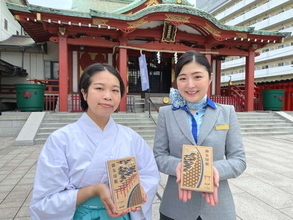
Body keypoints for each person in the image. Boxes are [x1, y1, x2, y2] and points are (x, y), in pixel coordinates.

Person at [30, 63, 160, 220]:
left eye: (115, 90)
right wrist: (94, 190)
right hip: (79, 215)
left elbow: (149, 175)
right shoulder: (60, 140)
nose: (108, 96)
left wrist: (136, 191)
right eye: (99, 88)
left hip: (123, 215)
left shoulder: (132, 138)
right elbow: (46, 200)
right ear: (84, 93)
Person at [153, 50, 246, 220]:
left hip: (217, 207)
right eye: (183, 78)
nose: (190, 85)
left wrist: (214, 170)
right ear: (177, 81)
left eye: (197, 77)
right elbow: (159, 156)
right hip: (175, 206)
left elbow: (239, 159)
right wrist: (180, 166)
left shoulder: (227, 113)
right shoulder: (166, 114)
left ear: (210, 78)